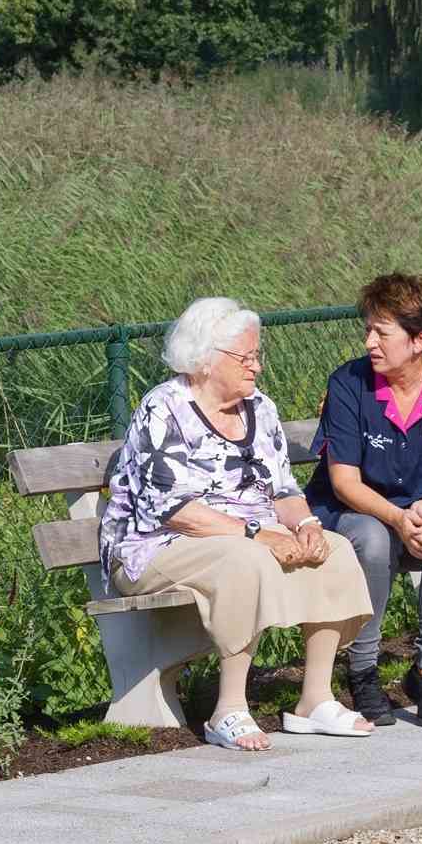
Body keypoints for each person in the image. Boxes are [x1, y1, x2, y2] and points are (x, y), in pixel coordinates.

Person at [99, 297, 379, 748]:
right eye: (245, 358)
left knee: (336, 548)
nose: (256, 367)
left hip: (245, 537)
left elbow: (283, 488)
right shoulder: (164, 409)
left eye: (257, 356)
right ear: (204, 360)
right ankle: (228, 709)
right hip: (154, 545)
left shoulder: (260, 408)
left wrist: (305, 524)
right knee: (243, 560)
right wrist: (258, 534)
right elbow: (172, 510)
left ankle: (315, 700)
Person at [307, 271, 422, 731]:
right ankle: (362, 670)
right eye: (368, 329)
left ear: (419, 338)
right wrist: (398, 518)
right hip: (352, 513)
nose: (369, 342)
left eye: (381, 332)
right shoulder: (347, 384)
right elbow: (343, 481)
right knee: (372, 537)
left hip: (414, 513)